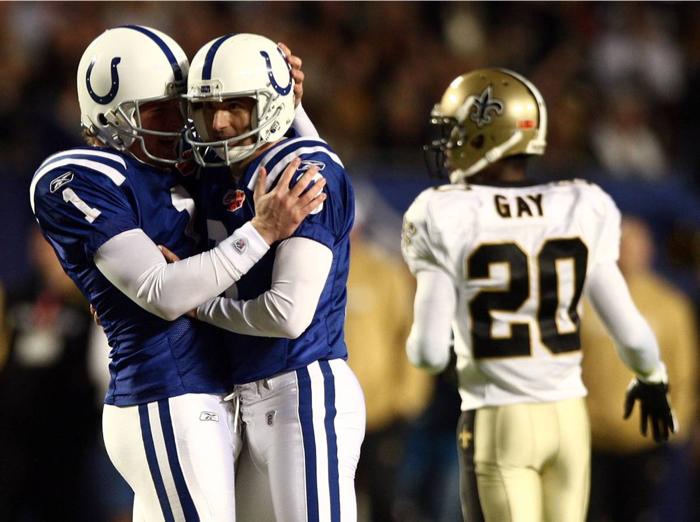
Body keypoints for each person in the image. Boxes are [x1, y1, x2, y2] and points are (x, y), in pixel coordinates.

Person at [30, 25, 325, 521]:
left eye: (183, 106)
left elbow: (310, 172)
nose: (180, 121)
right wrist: (260, 231)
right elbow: (160, 291)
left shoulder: (189, 165)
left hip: (218, 390)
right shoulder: (79, 175)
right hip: (165, 390)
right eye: (160, 110)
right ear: (112, 115)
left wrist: (284, 99)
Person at [400, 68, 677, 522]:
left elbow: (429, 353)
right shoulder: (581, 204)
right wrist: (651, 377)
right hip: (570, 419)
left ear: (485, 136)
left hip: (499, 418)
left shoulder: (442, 210)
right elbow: (631, 331)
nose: (447, 144)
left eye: (455, 132)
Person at [178, 32, 366, 522]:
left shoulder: (305, 170)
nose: (218, 123)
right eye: (208, 107)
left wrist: (194, 303)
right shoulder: (214, 172)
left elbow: (287, 315)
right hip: (244, 400)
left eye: (236, 105)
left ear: (270, 103)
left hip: (303, 391)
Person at [582, 216, 698, 522]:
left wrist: (679, 422)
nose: (628, 251)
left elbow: (684, 369)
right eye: (622, 243)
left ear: (649, 249)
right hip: (591, 435)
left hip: (644, 438)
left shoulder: (670, 304)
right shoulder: (587, 301)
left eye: (635, 243)